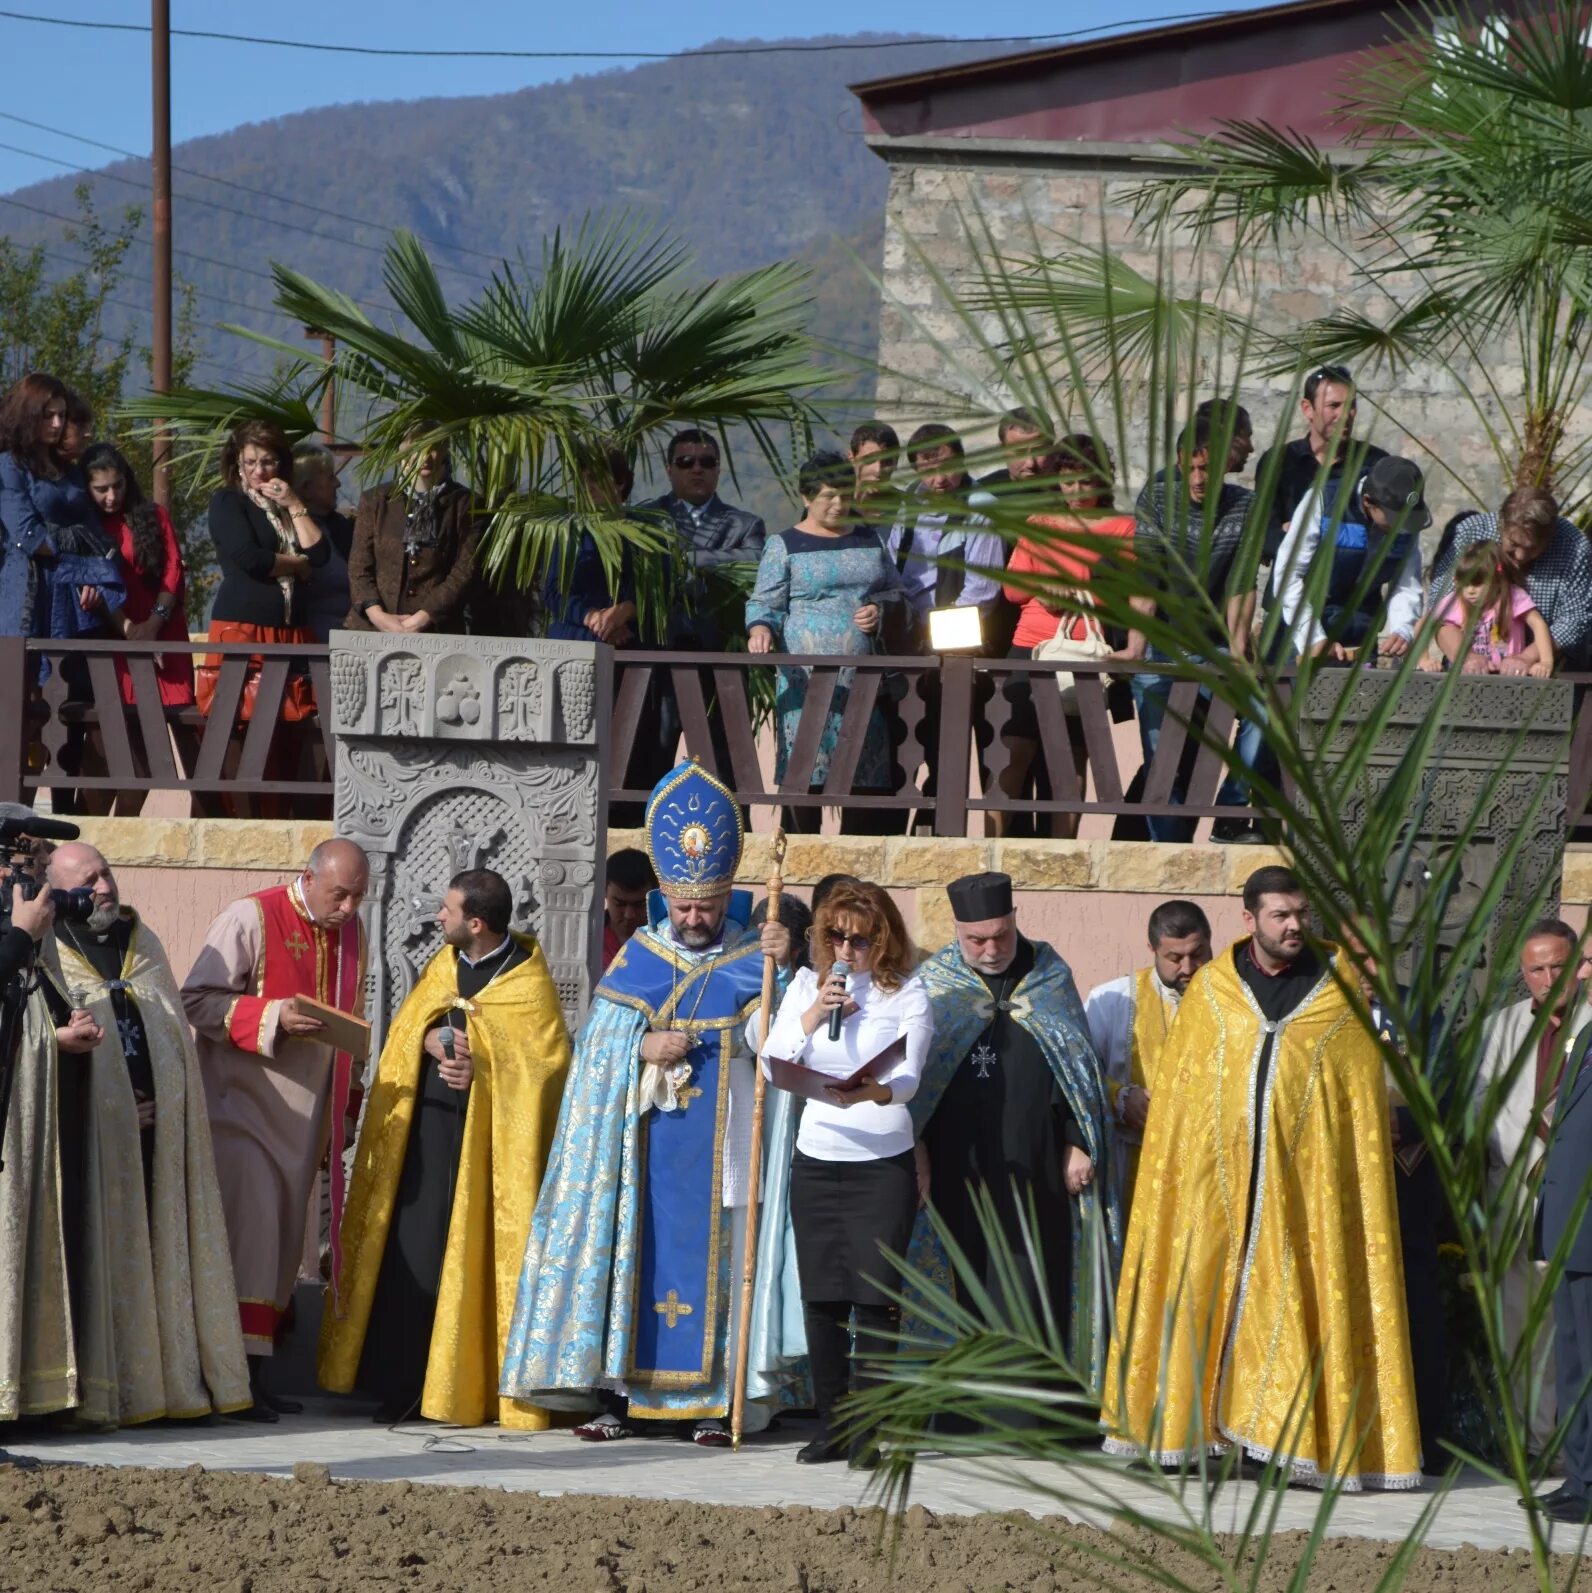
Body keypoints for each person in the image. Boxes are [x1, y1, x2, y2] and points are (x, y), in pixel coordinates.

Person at [500, 760, 793, 1447]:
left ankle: (716, 1406)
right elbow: (594, 1052)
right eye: (684, 905)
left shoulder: (757, 955)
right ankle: (621, 1402)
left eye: (708, 906)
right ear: (665, 893)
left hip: (725, 1153)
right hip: (643, 1154)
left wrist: (787, 968)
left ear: (728, 895)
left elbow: (777, 1044)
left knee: (722, 1267)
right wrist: (640, 1046)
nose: (695, 918)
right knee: (636, 1260)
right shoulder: (639, 954)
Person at [1102, 867, 1421, 1489]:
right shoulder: (1214, 991)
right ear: (1249, 919)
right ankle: (1192, 1431)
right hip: (1214, 1194)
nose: (1294, 926)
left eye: (1301, 913)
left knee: (1299, 1297)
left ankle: (1290, 1442)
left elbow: (1355, 1105)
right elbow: (1183, 1106)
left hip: (1306, 1199)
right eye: (1280, 915)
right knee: (1199, 1289)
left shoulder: (1340, 993)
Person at [320, 868, 571, 1427]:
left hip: (487, 1155)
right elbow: (410, 1028)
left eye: (448, 910)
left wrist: (484, 1066)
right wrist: (430, 1039)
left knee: (473, 1258)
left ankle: (470, 1390)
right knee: (417, 1254)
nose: (439, 917)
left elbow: (548, 1067)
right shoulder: (442, 967)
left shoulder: (528, 982)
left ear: (475, 923)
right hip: (425, 1143)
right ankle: (401, 1385)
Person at [39, 843, 251, 1425]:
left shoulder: (143, 942)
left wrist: (169, 1102)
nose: (104, 888)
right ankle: (106, 1393)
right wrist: (108, 1113)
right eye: (88, 881)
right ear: (57, 888)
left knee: (160, 1254)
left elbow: (167, 1030)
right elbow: (36, 1050)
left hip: (159, 1133)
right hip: (86, 1144)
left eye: (106, 874)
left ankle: (167, 1384)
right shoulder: (45, 949)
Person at [910, 871, 1120, 1409]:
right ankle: (964, 1414)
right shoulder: (934, 982)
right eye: (975, 939)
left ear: (1014, 920)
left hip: (1038, 1161)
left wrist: (1078, 1141)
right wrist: (918, 1152)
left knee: (1036, 1275)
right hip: (957, 1165)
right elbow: (916, 1084)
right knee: (966, 1273)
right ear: (956, 931)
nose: (990, 949)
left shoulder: (1050, 973)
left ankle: (1039, 1411)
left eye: (1000, 935)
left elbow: (1079, 1070)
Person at [180, 838, 369, 1419]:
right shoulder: (251, 915)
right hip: (242, 1111)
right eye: (339, 894)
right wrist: (274, 1015)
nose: (348, 909)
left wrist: (347, 1108)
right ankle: (231, 1383)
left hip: (305, 1121)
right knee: (253, 1241)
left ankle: (253, 1379)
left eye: (358, 897)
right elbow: (197, 1000)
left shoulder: (351, 934)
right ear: (307, 878)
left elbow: (351, 1025)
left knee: (285, 1250)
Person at [760, 880, 930, 1465]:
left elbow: (910, 1077)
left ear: (882, 939)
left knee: (874, 1300)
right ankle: (831, 1426)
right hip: (818, 1159)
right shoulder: (809, 985)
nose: (847, 950)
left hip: (880, 1161)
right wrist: (813, 1014)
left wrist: (875, 1092)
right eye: (836, 936)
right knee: (824, 1299)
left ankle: (868, 1432)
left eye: (860, 939)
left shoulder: (907, 992)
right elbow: (772, 1057)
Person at [1473, 918, 1590, 1458]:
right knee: (1520, 1326)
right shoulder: (1500, 1028)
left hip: (1578, 1197)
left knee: (1575, 1327)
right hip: (1515, 1196)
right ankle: (1535, 1444)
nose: (1547, 979)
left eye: (1557, 966)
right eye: (1535, 970)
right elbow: (1479, 1105)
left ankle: (1577, 1447)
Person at [747, 450, 906, 833]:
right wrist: (761, 629)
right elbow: (764, 601)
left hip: (864, 684)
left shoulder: (870, 540)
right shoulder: (783, 544)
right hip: (805, 685)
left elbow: (898, 594)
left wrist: (880, 611)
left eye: (845, 495)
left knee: (863, 784)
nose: (838, 505)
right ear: (806, 497)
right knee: (805, 779)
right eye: (828, 496)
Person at [997, 434, 1138, 838]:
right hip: (1029, 647)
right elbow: (1012, 590)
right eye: (1067, 481)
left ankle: (1065, 852)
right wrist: (1045, 586)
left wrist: (1072, 588)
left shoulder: (1122, 527)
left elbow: (1126, 593)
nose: (1076, 491)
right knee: (1015, 747)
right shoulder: (1039, 524)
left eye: (1084, 481)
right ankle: (991, 847)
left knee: (1072, 755)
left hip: (1085, 651)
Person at [1129, 406, 1255, 842]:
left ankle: (1231, 809)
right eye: (1195, 468)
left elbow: (1242, 581)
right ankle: (1168, 848)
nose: (1202, 479)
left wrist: (1239, 651)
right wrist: (1134, 648)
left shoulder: (1244, 505)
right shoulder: (1158, 498)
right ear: (1182, 463)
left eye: (1211, 468)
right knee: (1160, 756)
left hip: (1215, 643)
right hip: (1162, 642)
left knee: (1264, 713)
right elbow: (1147, 574)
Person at [199, 418, 328, 733]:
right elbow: (251, 559)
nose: (259, 471)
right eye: (251, 462)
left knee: (294, 725)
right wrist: (298, 564)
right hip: (245, 630)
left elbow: (320, 554)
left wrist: (294, 503)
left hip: (292, 631)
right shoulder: (229, 502)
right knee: (240, 723)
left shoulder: (287, 506)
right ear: (238, 463)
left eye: (268, 461)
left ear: (282, 463)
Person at [1084, 899, 1213, 1206]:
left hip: (1205, 1164)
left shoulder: (1235, 1002)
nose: (1188, 968)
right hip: (1132, 1161)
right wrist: (1120, 1098)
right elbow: (1079, 1076)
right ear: (1152, 948)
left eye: (1198, 954)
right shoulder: (1111, 1000)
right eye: (1174, 957)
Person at [1274, 454, 1428, 664]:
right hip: (1304, 632)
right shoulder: (1323, 500)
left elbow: (1406, 583)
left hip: (1361, 632)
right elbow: (1288, 576)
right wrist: (1314, 638)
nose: (1401, 527)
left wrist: (1403, 628)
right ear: (1368, 501)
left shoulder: (1406, 522)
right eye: (1394, 519)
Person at [79, 444, 194, 709]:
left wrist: (153, 625)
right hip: (116, 633)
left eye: (118, 485)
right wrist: (131, 630)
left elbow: (173, 571)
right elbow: (95, 582)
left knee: (182, 717)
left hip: (165, 628)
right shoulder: (85, 529)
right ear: (86, 489)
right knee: (126, 725)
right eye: (101, 489)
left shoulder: (155, 515)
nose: (112, 496)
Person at [1532, 1018, 1592, 1522]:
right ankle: (1580, 1478)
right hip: (1571, 1225)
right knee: (1573, 1363)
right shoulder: (1589, 1034)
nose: (1586, 972)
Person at [1429, 487, 1592, 671]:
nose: (1521, 556)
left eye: (1532, 548)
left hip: (1550, 669)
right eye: (1513, 544)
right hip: (1467, 665)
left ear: (1550, 537)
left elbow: (1575, 619)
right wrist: (1468, 658)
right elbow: (1440, 611)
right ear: (1502, 524)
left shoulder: (1574, 546)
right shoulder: (1470, 532)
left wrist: (1527, 658)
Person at [638, 429, 766, 652]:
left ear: (718, 470)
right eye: (685, 462)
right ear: (669, 470)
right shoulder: (644, 519)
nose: (697, 469)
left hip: (722, 650)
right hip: (656, 647)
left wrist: (687, 558)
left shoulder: (745, 524)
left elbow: (757, 561)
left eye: (706, 462)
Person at [1253, 365, 1387, 574]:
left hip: (1355, 597)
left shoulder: (1375, 464)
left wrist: (1300, 533)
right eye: (1333, 405)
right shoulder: (1279, 462)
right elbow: (1264, 537)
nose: (1344, 415)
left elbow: (1385, 539)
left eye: (1350, 405)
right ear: (1307, 408)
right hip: (1290, 594)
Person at [346, 425, 478, 636]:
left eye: (433, 447)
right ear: (400, 452)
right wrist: (378, 616)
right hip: (372, 629)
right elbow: (359, 566)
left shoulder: (465, 503)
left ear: (446, 450)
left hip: (436, 630)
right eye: (415, 447)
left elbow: (465, 570)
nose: (424, 456)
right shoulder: (375, 500)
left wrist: (422, 618)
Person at [0, 371, 97, 639]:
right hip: (28, 591)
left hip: (74, 595)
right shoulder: (9, 466)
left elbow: (94, 530)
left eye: (62, 415)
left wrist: (93, 573)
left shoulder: (72, 471)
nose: (57, 423)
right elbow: (28, 535)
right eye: (48, 415)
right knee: (22, 676)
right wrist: (83, 559)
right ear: (28, 414)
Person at [1433, 539, 1554, 676]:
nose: (1470, 590)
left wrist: (1546, 662)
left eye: (1478, 583)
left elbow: (1538, 623)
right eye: (1466, 583)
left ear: (1496, 579)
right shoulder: (1457, 599)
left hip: (1507, 675)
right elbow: (1426, 624)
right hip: (1467, 675)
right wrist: (1424, 659)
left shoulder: (1512, 595)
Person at [292, 441, 354, 644]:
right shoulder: (287, 533)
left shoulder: (344, 529)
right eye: (330, 478)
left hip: (349, 641)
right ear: (306, 488)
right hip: (307, 646)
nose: (338, 483)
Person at [602, 846, 656, 968]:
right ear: (604, 891)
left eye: (640, 904)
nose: (629, 914)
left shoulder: (672, 943)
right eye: (619, 904)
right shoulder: (587, 938)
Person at [849, 421, 900, 528]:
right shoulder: (833, 506)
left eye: (887, 461)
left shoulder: (908, 509)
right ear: (852, 458)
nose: (878, 470)